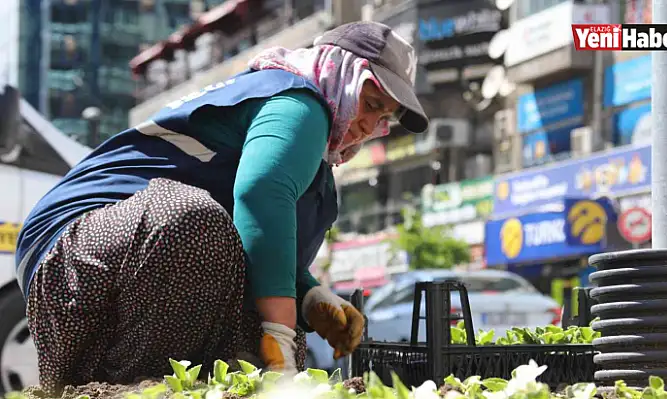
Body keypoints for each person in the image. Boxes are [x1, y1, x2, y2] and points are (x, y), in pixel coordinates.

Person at [15, 21, 429, 390]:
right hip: (70, 257)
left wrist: (307, 297)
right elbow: (260, 195)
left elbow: (251, 235)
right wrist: (280, 331)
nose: (370, 127)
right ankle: (140, 387)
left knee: (268, 339)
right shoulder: (299, 104)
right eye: (372, 104)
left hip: (110, 276)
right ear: (339, 75)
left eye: (384, 119)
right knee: (204, 235)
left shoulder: (311, 153)